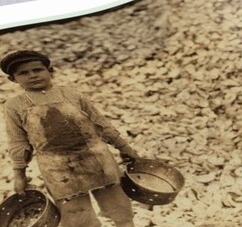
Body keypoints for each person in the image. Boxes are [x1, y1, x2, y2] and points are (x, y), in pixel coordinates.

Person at [1, 50, 139, 227]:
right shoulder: (15, 106)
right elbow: (18, 142)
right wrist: (19, 174)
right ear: (13, 79)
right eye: (23, 73)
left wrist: (125, 148)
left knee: (120, 209)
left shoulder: (72, 95)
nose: (33, 75)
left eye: (37, 70)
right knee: (77, 217)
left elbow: (101, 124)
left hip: (97, 159)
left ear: (50, 70)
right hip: (57, 168)